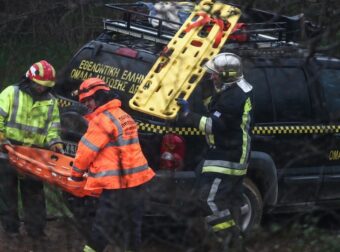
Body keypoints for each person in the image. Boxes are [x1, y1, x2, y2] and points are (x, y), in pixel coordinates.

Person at [176, 53, 253, 251]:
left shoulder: (235, 96)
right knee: (229, 203)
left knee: (208, 200)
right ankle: (232, 241)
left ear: (227, 74)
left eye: (215, 74)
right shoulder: (232, 90)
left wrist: (187, 115)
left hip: (228, 157)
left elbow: (213, 124)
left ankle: (232, 241)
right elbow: (215, 107)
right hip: (227, 155)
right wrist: (205, 90)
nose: (212, 77)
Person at [70, 77, 155, 252]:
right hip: (138, 183)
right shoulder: (124, 116)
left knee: (101, 230)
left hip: (117, 187)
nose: (88, 105)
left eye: (88, 100)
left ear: (99, 96)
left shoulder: (102, 121)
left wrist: (76, 175)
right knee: (132, 231)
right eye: (84, 102)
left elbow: (86, 151)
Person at [0, 60, 63, 238]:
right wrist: (2, 139)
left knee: (34, 193)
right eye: (39, 84)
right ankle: (11, 230)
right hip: (7, 149)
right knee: (7, 192)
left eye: (45, 86)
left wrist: (54, 142)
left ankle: (36, 231)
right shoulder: (11, 93)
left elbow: (52, 128)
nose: (41, 89)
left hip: (34, 155)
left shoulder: (51, 102)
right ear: (30, 79)